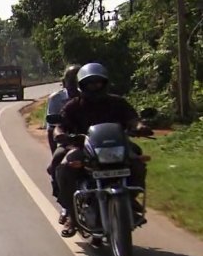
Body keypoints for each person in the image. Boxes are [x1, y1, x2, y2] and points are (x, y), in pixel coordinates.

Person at [53, 63, 153, 237]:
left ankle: (130, 198)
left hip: (117, 146)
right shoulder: (73, 106)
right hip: (84, 148)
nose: (94, 87)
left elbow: (132, 119)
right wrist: (60, 134)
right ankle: (71, 213)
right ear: (81, 85)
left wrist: (140, 126)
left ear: (105, 83)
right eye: (90, 83)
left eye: (98, 83)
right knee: (64, 167)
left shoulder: (118, 102)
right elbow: (59, 125)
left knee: (137, 161)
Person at [46, 64, 81, 224]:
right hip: (70, 142)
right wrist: (58, 147)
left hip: (96, 143)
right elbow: (53, 128)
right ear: (64, 82)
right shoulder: (60, 100)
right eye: (71, 81)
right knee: (58, 166)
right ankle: (67, 205)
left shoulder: (100, 98)